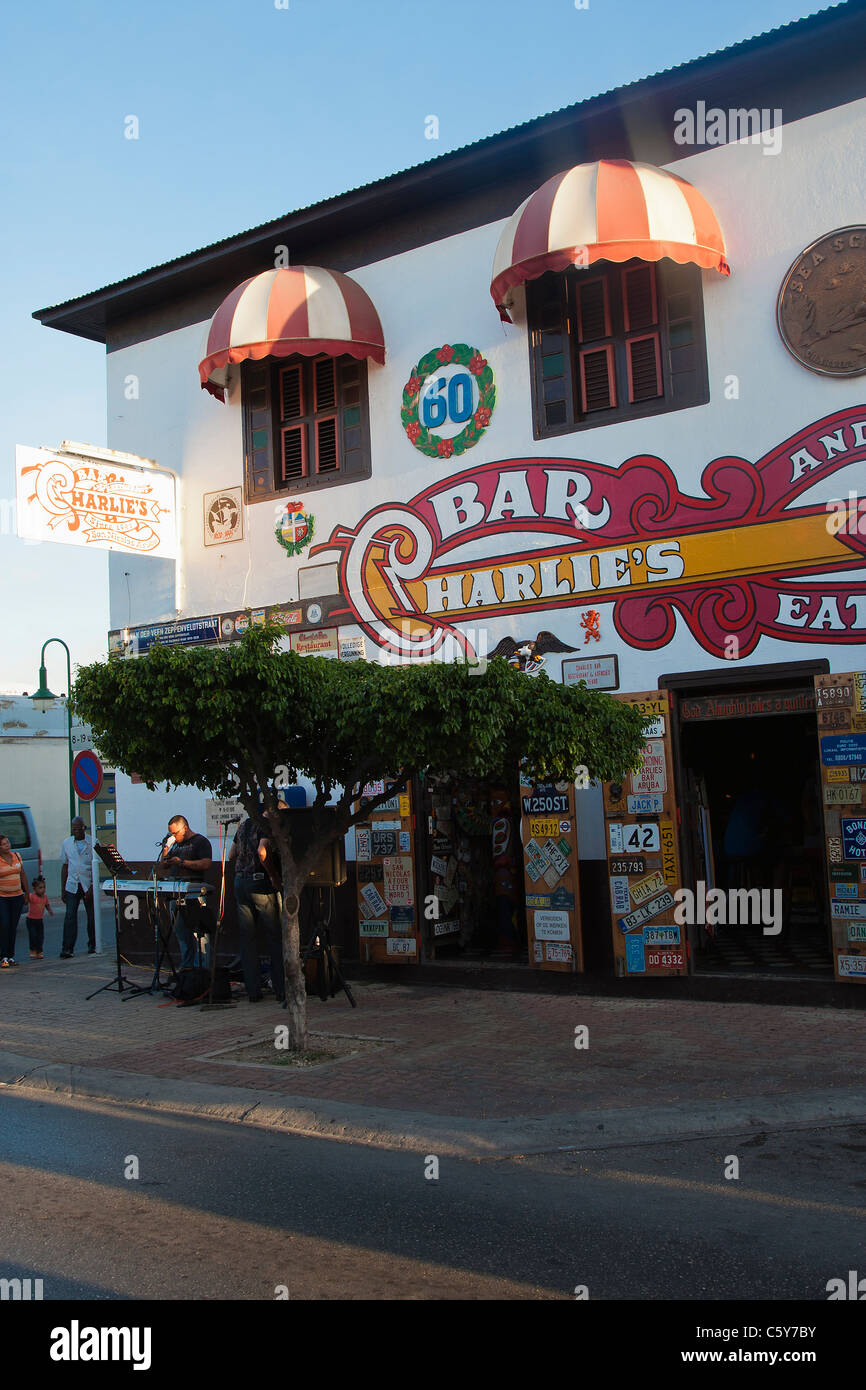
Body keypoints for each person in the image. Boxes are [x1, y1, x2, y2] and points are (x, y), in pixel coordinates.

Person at [229, 812, 285, 1004]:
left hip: (240, 882)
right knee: (275, 937)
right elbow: (262, 852)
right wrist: (273, 876)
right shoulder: (266, 826)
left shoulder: (244, 825)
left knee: (248, 939)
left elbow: (231, 854)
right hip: (259, 883)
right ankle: (281, 989)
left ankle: (253, 991)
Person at [157, 815, 214, 971]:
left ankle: (201, 970)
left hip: (193, 893)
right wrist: (166, 848)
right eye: (171, 833)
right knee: (181, 934)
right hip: (175, 893)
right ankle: (187, 969)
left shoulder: (200, 842)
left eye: (176, 833)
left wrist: (182, 862)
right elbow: (163, 865)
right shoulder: (174, 843)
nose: (174, 836)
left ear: (185, 828)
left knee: (199, 935)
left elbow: (206, 863)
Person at [60, 816, 94, 958]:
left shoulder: (92, 842)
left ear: (83, 828)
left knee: (92, 917)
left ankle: (93, 944)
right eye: (73, 829)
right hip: (72, 884)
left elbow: (95, 866)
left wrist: (92, 886)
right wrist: (63, 889)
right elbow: (65, 865)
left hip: (87, 884)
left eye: (78, 828)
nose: (76, 831)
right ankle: (67, 948)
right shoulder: (67, 843)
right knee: (70, 917)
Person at [0, 833, 29, 968]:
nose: (8, 845)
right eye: (4, 844)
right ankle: (3, 956)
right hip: (2, 898)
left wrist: (27, 893)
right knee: (4, 925)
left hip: (17, 896)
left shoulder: (16, 856)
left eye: (8, 842)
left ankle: (10, 956)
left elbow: (22, 874)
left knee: (13, 927)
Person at [27, 875, 53, 958]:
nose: (43, 890)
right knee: (33, 935)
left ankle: (39, 951)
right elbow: (26, 900)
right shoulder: (32, 896)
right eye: (40, 888)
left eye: (44, 887)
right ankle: (33, 950)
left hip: (39, 920)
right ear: (35, 889)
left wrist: (50, 910)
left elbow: (47, 905)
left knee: (40, 936)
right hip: (31, 920)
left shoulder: (45, 897)